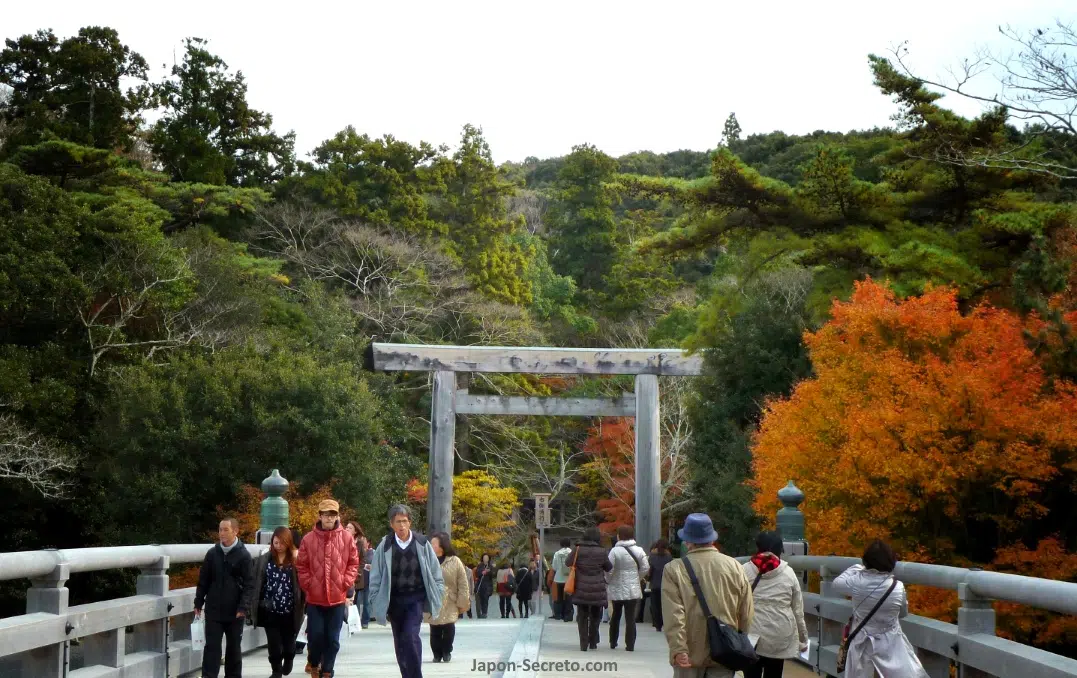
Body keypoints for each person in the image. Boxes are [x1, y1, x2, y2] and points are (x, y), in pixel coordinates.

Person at [662, 513, 754, 678]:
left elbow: (674, 614)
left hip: (689, 655)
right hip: (725, 651)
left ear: (688, 541)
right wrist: (740, 640)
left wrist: (678, 649)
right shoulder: (734, 566)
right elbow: (746, 611)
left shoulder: (674, 569)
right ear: (712, 539)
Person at [368, 504, 446, 678]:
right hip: (394, 599)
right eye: (398, 522)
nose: (402, 526)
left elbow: (435, 571)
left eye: (405, 521)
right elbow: (376, 575)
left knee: (410, 636)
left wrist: (438, 591)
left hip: (415, 598)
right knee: (400, 642)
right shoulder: (385, 545)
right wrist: (375, 598)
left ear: (410, 522)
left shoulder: (422, 543)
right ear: (391, 524)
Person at [832, 540, 928, 678]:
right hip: (890, 644)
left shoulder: (856, 581)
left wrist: (855, 568)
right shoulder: (897, 587)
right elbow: (903, 613)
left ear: (866, 561)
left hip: (861, 642)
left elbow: (836, 584)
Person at [296, 499, 359, 678]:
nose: (329, 518)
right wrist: (308, 584)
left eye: (332, 515)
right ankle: (314, 662)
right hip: (315, 599)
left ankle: (327, 670)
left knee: (332, 639)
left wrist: (345, 582)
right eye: (326, 515)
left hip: (337, 598)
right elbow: (301, 565)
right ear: (320, 516)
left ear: (338, 516)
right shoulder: (308, 539)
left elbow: (353, 563)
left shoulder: (346, 538)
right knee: (315, 636)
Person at [742, 531, 808, 678]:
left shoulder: (744, 570)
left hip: (752, 634)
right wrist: (803, 639)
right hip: (779, 634)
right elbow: (797, 610)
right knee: (774, 674)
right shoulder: (789, 573)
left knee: (751, 674)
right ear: (780, 549)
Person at [194, 517, 255, 678]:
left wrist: (243, 607)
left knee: (234, 648)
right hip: (214, 609)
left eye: (225, 530)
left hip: (235, 611)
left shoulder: (244, 556)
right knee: (212, 647)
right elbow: (203, 581)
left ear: (235, 531)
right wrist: (198, 602)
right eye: (220, 529)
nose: (221, 533)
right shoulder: (213, 554)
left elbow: (250, 585)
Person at [250, 526, 305, 678]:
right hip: (270, 609)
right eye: (276, 542)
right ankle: (276, 670)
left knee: (289, 643)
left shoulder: (295, 559)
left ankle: (288, 659)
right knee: (273, 644)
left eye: (282, 543)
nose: (279, 546)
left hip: (290, 609)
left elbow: (303, 584)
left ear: (288, 542)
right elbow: (257, 582)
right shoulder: (264, 560)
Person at [565, 527, 612, 652]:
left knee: (582, 616)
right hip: (598, 587)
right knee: (596, 616)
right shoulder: (602, 551)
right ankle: (593, 642)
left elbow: (567, 562)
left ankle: (583, 644)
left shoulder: (578, 549)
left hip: (581, 587)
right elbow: (609, 567)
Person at [428, 531, 470, 663]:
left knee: (448, 627)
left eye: (433, 543)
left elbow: (463, 583)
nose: (431, 545)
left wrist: (462, 602)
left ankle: (447, 651)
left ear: (442, 545)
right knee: (434, 628)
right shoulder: (427, 560)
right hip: (433, 599)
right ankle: (436, 653)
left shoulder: (455, 561)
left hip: (450, 600)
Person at [607, 524, 650, 651]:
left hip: (617, 587)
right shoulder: (639, 550)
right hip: (633, 588)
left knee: (615, 614)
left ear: (619, 536)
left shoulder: (614, 551)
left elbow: (609, 569)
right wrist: (637, 577)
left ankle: (613, 642)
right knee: (630, 617)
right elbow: (646, 567)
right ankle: (630, 644)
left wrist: (608, 580)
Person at [345, 522, 372, 629]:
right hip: (343, 575)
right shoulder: (341, 540)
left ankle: (356, 622)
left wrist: (358, 572)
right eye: (346, 527)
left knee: (354, 599)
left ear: (355, 531)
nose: (347, 529)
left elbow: (362, 559)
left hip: (356, 575)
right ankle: (347, 621)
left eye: (350, 528)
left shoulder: (359, 543)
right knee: (349, 600)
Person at [645, 539, 673, 631]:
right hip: (666, 584)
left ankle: (657, 624)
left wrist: (648, 578)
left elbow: (649, 570)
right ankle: (665, 622)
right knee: (664, 605)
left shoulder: (652, 556)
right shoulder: (669, 557)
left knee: (655, 605)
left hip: (654, 583)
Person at [551, 538, 574, 622]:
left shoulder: (557, 553)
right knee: (569, 597)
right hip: (569, 579)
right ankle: (568, 615)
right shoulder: (572, 553)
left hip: (559, 579)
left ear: (560, 544)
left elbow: (554, 567)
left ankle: (558, 615)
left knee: (559, 597)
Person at [474, 554, 494, 619]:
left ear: (489, 559)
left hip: (488, 586)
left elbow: (493, 574)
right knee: (481, 600)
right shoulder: (480, 565)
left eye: (487, 558)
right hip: (480, 586)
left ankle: (484, 613)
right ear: (482, 558)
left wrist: (489, 571)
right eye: (484, 558)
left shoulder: (490, 566)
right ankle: (482, 613)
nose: (485, 559)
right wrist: (483, 572)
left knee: (486, 600)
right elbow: (477, 573)